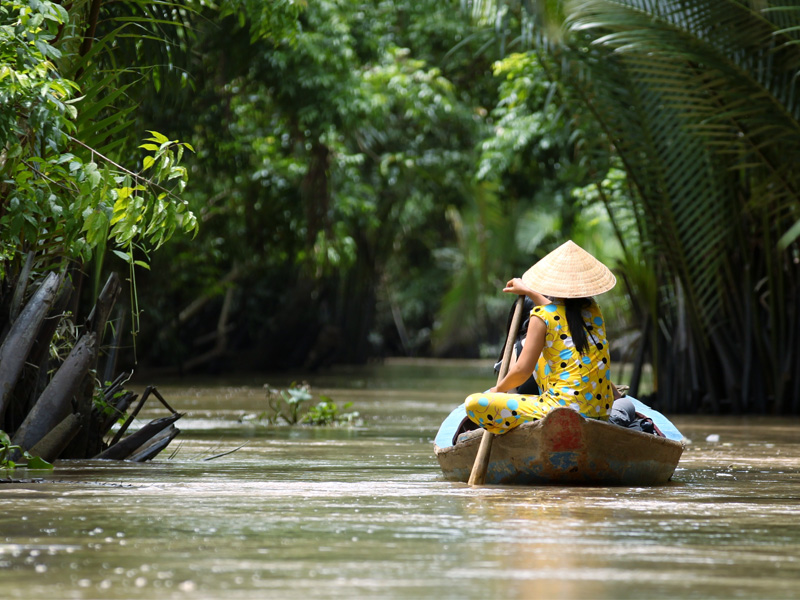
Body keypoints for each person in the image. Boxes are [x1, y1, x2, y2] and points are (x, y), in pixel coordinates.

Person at [465, 240, 621, 435]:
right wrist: (530, 292)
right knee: (554, 349)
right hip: (601, 412)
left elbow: (522, 371)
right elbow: (560, 314)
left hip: (562, 410)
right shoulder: (593, 310)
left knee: (473, 403)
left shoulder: (541, 316)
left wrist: (498, 390)